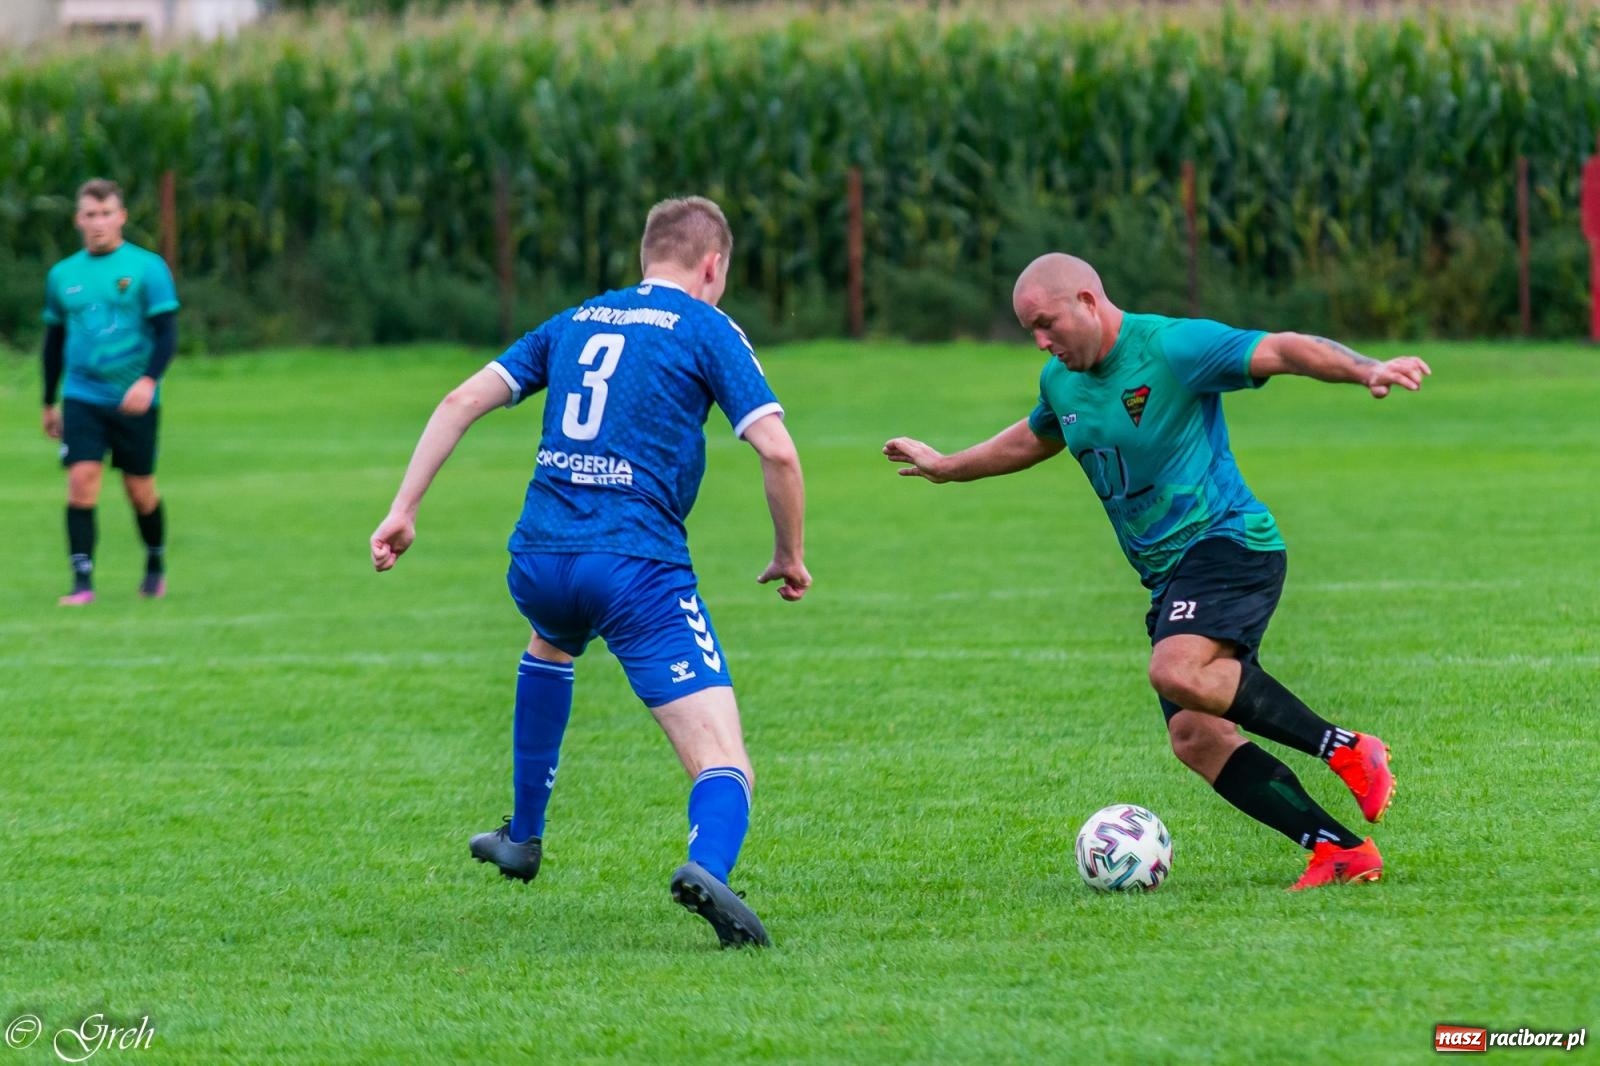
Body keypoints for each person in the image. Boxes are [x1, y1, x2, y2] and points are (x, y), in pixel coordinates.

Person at [884, 253, 1429, 890]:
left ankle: (1347, 748)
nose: (1040, 341)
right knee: (1197, 738)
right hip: (1168, 578)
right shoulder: (1060, 382)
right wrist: (949, 467)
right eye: (1029, 329)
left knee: (1177, 670)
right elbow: (1037, 436)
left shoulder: (1172, 347)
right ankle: (1339, 850)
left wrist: (1367, 368)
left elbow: (1282, 349)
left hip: (1230, 543)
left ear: (1087, 300)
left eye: (1045, 323)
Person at [370, 196, 809, 947]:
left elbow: (460, 398)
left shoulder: (577, 320)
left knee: (551, 641)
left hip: (539, 557)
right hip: (634, 564)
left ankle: (523, 837)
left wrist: (403, 508)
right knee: (724, 759)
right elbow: (778, 450)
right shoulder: (707, 326)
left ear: (647, 256)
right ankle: (708, 868)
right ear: (713, 266)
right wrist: (789, 554)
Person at [41, 178, 180, 605]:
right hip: (82, 396)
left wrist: (148, 380)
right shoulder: (63, 275)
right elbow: (53, 343)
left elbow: (168, 333)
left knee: (140, 492)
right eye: (90, 214)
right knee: (81, 482)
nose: (97, 223)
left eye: (106, 214)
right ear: (78, 219)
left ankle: (155, 563)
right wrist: (49, 400)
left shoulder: (147, 268)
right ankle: (82, 582)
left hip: (135, 399)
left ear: (120, 216)